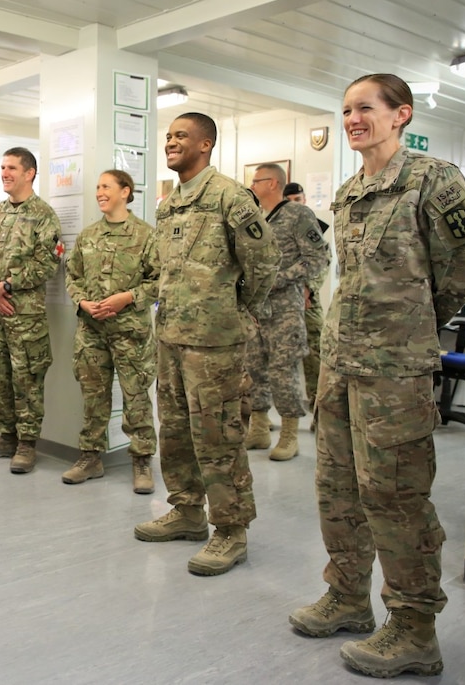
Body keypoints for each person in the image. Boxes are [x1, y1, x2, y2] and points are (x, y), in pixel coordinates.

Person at [289, 74, 465, 678]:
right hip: (340, 364)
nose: (352, 119)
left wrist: (408, 331)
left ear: (401, 114)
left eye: (365, 108)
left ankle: (415, 630)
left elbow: (457, 274)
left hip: (395, 372)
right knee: (336, 488)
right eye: (346, 109)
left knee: (396, 498)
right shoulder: (350, 190)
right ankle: (347, 597)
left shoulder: (433, 179)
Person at [133, 112, 279, 576]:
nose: (171, 142)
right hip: (171, 336)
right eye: (168, 136)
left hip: (215, 344)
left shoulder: (229, 197)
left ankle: (231, 530)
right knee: (175, 431)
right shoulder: (169, 205)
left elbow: (264, 263)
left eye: (181, 135)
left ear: (205, 144)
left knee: (218, 436)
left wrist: (233, 309)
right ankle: (187, 510)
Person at [63, 170, 159, 491]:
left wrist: (127, 297)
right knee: (93, 396)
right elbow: (72, 276)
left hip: (131, 333)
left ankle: (141, 459)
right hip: (92, 331)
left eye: (106, 186)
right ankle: (90, 457)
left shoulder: (146, 236)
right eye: (97, 187)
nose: (99, 192)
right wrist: (82, 302)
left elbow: (160, 280)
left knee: (136, 396)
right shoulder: (88, 235)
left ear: (125, 191)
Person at [0, 147, 63, 474]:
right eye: (2, 168)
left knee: (26, 378)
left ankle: (26, 445)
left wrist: (6, 287)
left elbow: (49, 262)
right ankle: (6, 436)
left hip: (24, 315)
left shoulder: (43, 215)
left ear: (29, 173)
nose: (4, 173)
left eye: (11, 168)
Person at [243, 163, 329, 460]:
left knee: (283, 371)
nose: (252, 185)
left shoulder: (298, 215)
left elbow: (317, 258)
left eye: (257, 180)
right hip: (256, 309)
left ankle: (290, 434)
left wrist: (278, 279)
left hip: (285, 309)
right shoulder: (255, 218)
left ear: (273, 183)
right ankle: (258, 428)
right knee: (254, 368)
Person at [283, 180, 332, 408]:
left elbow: (323, 261)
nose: (294, 204)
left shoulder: (313, 228)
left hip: (308, 304)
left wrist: (307, 289)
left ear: (305, 200)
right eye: (289, 201)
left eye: (298, 200)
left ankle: (317, 406)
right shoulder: (276, 227)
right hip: (281, 304)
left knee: (315, 357)